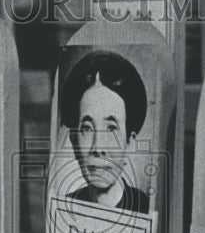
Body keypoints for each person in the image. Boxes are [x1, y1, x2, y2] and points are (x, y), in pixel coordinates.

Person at [61, 51, 150, 214]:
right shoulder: (64, 210)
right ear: (74, 142)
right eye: (87, 128)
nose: (98, 147)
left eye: (111, 128)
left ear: (129, 143)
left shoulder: (147, 210)